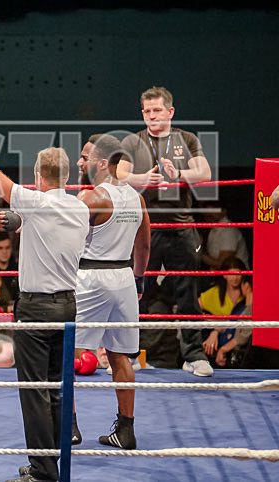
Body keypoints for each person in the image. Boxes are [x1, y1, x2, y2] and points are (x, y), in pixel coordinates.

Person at [0, 107, 89, 482]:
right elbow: (52, 228)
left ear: (37, 177)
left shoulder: (36, 202)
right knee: (57, 387)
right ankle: (54, 464)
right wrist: (22, 220)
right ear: (68, 176)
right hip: (68, 305)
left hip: (36, 308)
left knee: (34, 390)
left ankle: (43, 471)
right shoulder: (79, 208)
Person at [118, 86, 213, 377]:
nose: (152, 115)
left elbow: (205, 172)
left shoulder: (187, 139)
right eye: (147, 111)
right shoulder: (134, 141)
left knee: (187, 294)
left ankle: (194, 356)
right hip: (145, 229)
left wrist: (179, 174)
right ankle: (130, 355)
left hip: (181, 227)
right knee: (137, 293)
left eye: (157, 110)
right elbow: (119, 174)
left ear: (170, 112)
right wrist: (142, 178)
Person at [72, 134, 151, 450]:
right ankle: (126, 430)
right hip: (124, 279)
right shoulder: (136, 198)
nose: (80, 162)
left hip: (91, 278)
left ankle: (68, 427)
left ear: (103, 163)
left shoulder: (91, 197)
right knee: (120, 356)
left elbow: (63, 236)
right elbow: (144, 245)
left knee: (66, 353)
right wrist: (139, 279)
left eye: (85, 157)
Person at [198, 257, 245, 363]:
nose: (235, 278)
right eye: (231, 274)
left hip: (238, 341)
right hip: (217, 342)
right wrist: (212, 323)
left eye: (238, 274)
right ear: (224, 275)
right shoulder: (214, 293)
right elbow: (193, 307)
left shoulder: (247, 293)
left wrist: (216, 331)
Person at [199, 201, 250, 269]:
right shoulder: (213, 228)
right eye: (207, 211)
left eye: (213, 210)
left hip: (235, 274)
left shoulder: (228, 230)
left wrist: (199, 253)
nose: (209, 214)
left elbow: (222, 264)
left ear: (224, 211)